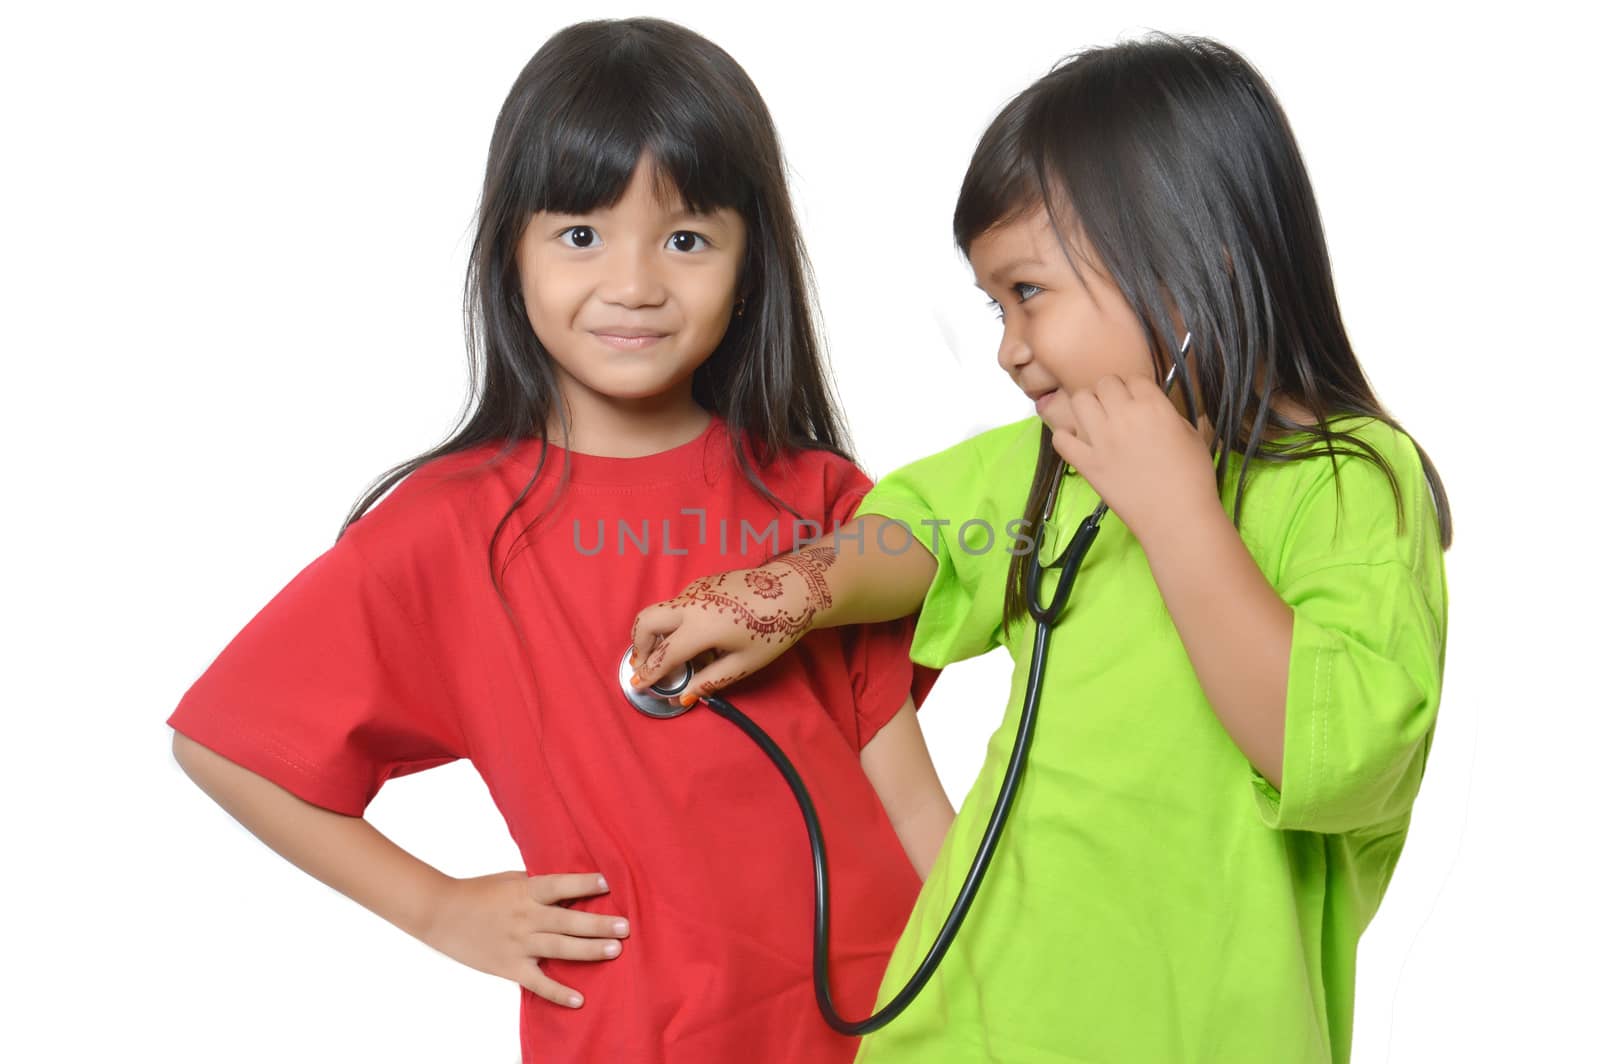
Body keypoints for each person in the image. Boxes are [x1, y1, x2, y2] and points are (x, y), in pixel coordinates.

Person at [628, 34, 1451, 1064]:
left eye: (1028, 293)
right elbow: (920, 530)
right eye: (993, 303)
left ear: (1191, 268)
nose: (1009, 346)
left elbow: (1334, 754)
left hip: (1200, 1030)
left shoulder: (1347, 480)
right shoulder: (1051, 462)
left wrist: (1178, 512)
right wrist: (783, 594)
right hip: (975, 1016)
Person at [167, 18, 952, 1063]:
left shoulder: (819, 499)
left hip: (884, 1013)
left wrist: (990, 967)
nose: (633, 283)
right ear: (510, 250)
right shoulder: (451, 529)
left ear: (750, 260)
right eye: (581, 233)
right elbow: (227, 741)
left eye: (685, 238)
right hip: (642, 1029)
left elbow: (900, 790)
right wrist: (440, 908)